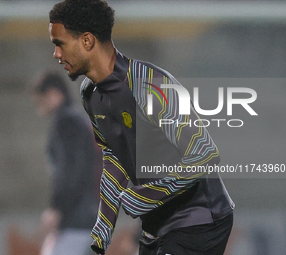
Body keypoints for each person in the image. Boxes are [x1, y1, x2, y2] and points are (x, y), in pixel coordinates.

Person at [48, 1, 235, 255]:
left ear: (87, 41)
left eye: (60, 44)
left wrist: (147, 194)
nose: (56, 54)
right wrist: (104, 224)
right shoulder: (90, 95)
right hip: (156, 225)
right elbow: (114, 158)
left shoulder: (149, 84)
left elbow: (204, 154)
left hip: (201, 219)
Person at [32, 71, 99, 255]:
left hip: (75, 216)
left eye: (41, 101)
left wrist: (57, 209)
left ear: (53, 94)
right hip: (81, 213)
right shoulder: (77, 119)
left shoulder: (66, 122)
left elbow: (70, 171)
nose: (40, 110)